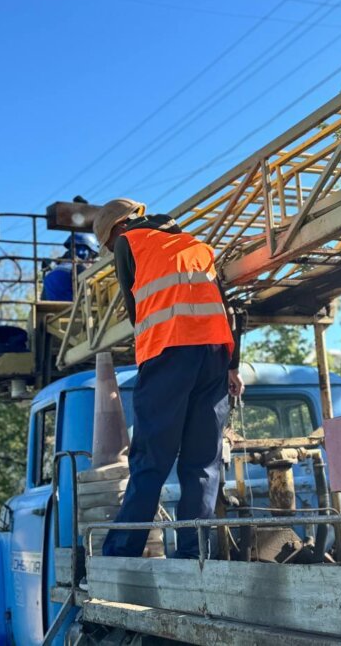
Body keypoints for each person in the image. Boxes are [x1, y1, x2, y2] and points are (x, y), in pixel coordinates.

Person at [92, 198, 244, 558]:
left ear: (117, 229)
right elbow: (226, 307)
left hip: (167, 353)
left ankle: (120, 555)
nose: (112, 250)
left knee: (151, 461)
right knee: (202, 463)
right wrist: (233, 365)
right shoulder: (196, 246)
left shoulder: (130, 242)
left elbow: (135, 312)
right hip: (214, 357)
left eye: (108, 245)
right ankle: (195, 555)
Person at [41, 232, 100, 302]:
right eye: (92, 256)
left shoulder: (53, 271)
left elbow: (43, 298)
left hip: (51, 307)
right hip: (72, 306)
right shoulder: (78, 268)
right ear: (85, 252)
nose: (91, 260)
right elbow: (90, 291)